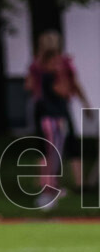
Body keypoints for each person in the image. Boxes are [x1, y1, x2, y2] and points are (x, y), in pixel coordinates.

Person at [25, 31, 89, 208]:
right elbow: (64, 90)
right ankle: (49, 191)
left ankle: (48, 188)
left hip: (45, 114)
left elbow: (29, 85)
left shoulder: (37, 66)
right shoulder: (59, 66)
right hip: (55, 117)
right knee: (55, 152)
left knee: (48, 152)